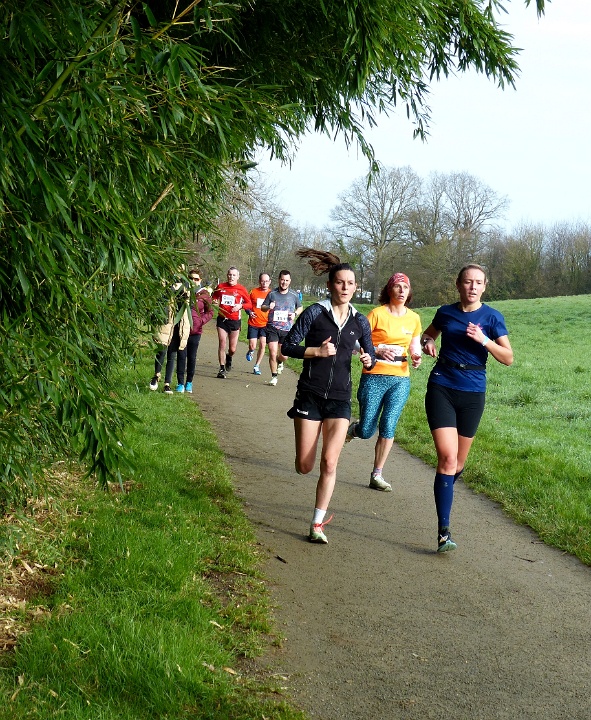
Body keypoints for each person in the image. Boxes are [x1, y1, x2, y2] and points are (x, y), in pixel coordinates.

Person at [281, 249, 376, 544]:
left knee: (330, 463)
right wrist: (316, 351)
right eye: (340, 282)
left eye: (350, 283)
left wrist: (368, 360)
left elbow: (370, 353)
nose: (345, 287)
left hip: (340, 399)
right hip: (310, 394)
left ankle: (317, 524)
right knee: (304, 466)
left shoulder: (360, 321)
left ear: (356, 287)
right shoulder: (314, 313)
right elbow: (287, 346)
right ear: (330, 285)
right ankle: (306, 457)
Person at [421, 263, 513, 553]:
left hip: (473, 392)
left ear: (484, 287)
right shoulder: (446, 312)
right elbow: (428, 335)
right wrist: (427, 342)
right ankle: (443, 533)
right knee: (448, 459)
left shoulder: (492, 317)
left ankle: (443, 488)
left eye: (478, 282)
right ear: (458, 284)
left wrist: (484, 340)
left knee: (458, 465)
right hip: (442, 385)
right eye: (468, 281)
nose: (472, 287)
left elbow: (508, 358)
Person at [345, 272, 422, 491]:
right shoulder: (376, 314)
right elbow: (355, 340)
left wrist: (416, 355)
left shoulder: (414, 318)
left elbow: (414, 343)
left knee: (389, 423)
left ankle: (377, 474)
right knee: (367, 430)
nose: (402, 291)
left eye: (405, 287)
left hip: (400, 379)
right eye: (397, 286)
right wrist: (377, 350)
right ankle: (354, 430)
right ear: (389, 290)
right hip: (374, 376)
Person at [149, 275, 191, 394]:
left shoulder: (186, 285)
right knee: (162, 351)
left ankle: (167, 384)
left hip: (179, 325)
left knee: (172, 355)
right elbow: (160, 299)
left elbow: (187, 304)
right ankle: (156, 375)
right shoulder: (165, 281)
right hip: (166, 323)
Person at [261, 270, 303, 386]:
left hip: (287, 329)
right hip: (273, 327)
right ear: (279, 280)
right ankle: (274, 376)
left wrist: (295, 314)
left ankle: (280, 362)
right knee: (272, 352)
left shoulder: (294, 295)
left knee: (284, 356)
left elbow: (300, 307)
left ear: (290, 281)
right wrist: (269, 307)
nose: (284, 282)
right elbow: (263, 307)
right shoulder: (272, 294)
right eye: (282, 280)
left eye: (286, 280)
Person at [175, 270, 213, 393]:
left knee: (192, 357)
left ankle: (189, 382)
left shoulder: (204, 295)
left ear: (200, 280)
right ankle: (180, 383)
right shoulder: (182, 292)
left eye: (196, 279)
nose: (193, 281)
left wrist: (201, 321)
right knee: (181, 356)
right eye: (191, 278)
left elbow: (210, 312)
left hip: (196, 331)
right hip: (182, 329)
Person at [211, 267, 252, 379]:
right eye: (230, 274)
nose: (231, 277)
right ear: (227, 275)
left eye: (234, 275)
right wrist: (214, 301)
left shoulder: (241, 289)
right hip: (222, 319)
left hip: (235, 321)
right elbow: (214, 298)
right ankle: (221, 368)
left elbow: (249, 304)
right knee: (222, 342)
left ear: (238, 277)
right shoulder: (221, 287)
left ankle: (229, 356)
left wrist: (240, 306)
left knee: (232, 349)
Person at [246, 272, 271, 375]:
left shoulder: (272, 294)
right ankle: (250, 351)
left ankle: (257, 366)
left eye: (266, 281)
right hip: (253, 323)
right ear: (259, 281)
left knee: (262, 344)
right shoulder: (253, 292)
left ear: (269, 282)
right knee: (252, 345)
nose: (264, 283)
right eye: (262, 281)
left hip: (265, 324)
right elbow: (246, 304)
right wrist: (249, 312)